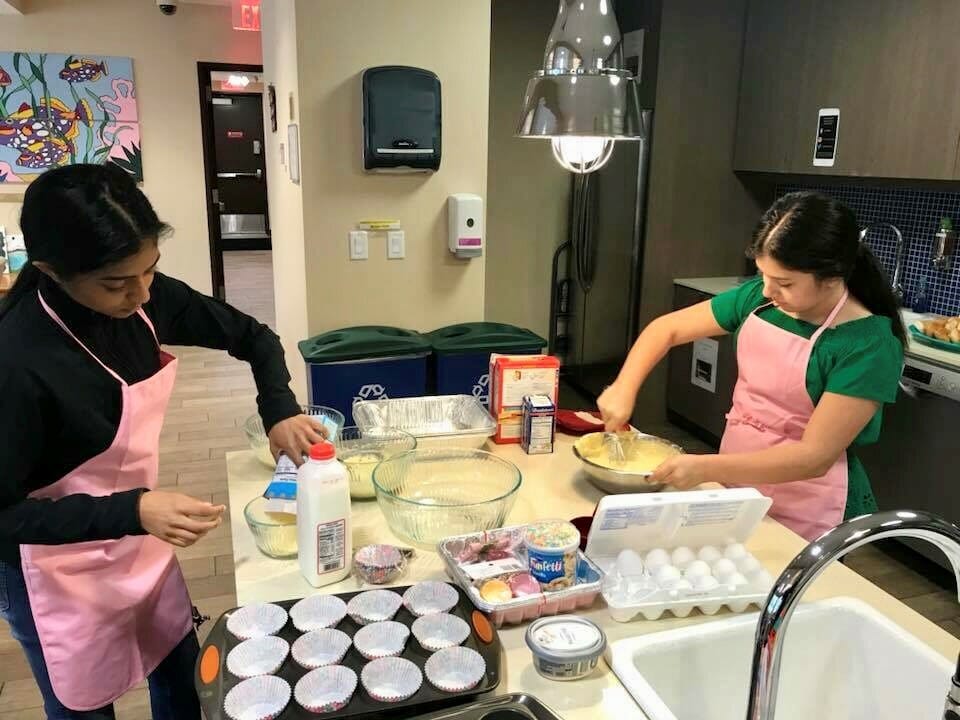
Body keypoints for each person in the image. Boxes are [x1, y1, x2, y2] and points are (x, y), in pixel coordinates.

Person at [0, 164, 326, 719]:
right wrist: (135, 508)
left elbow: (255, 337)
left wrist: (279, 410)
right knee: (82, 705)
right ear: (51, 270)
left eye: (150, 270)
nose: (141, 293)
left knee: (179, 676)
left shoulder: (145, 298)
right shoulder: (18, 359)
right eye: (115, 283)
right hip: (49, 566)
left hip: (138, 532)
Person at [598, 191, 905, 541]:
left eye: (785, 282)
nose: (767, 290)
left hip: (807, 504)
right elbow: (666, 329)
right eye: (763, 274)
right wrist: (624, 386)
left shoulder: (867, 345)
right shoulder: (761, 300)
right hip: (735, 476)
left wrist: (705, 467)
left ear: (832, 277)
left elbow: (814, 457)